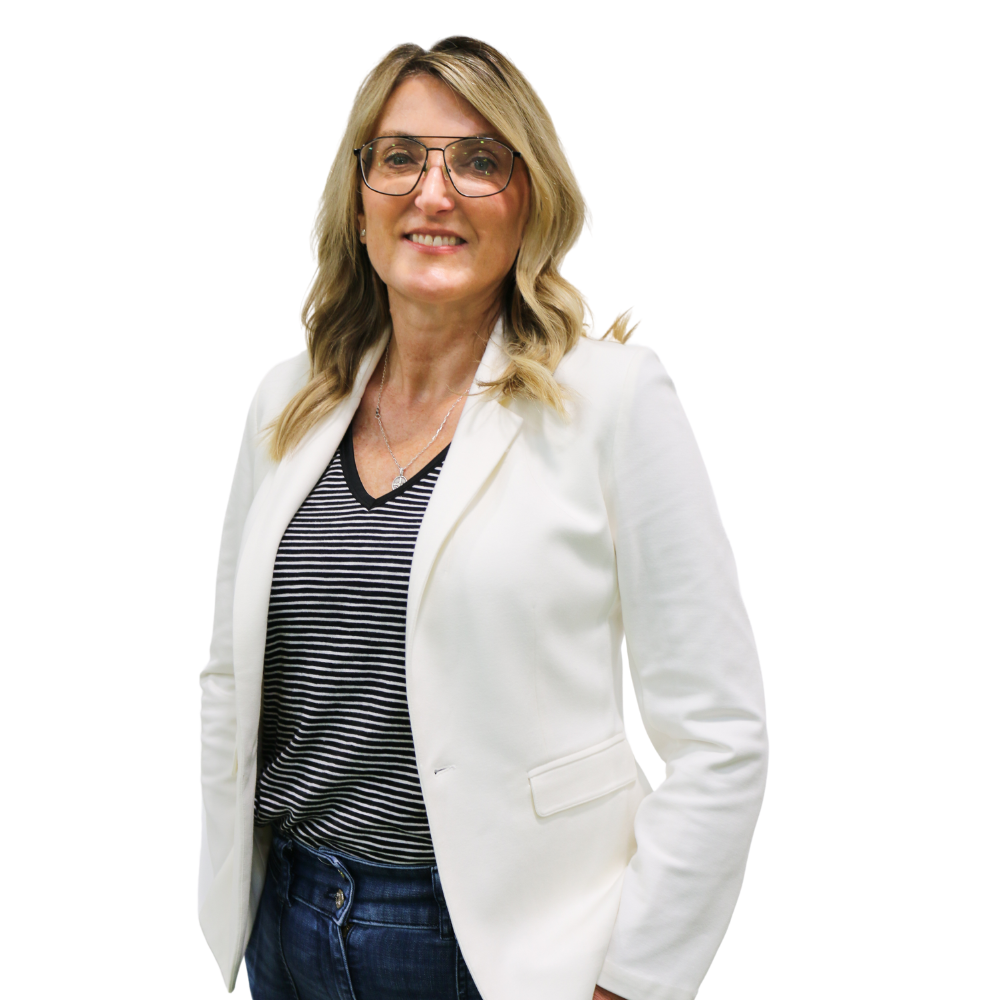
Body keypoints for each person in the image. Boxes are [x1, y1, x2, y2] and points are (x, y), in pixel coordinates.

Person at [196, 35, 769, 1000]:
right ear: (360, 196)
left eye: (478, 160)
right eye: (400, 157)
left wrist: (631, 981)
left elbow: (719, 733)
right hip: (285, 925)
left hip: (500, 948)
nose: (434, 192)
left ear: (529, 196)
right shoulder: (283, 402)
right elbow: (229, 677)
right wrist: (231, 905)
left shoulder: (613, 399)